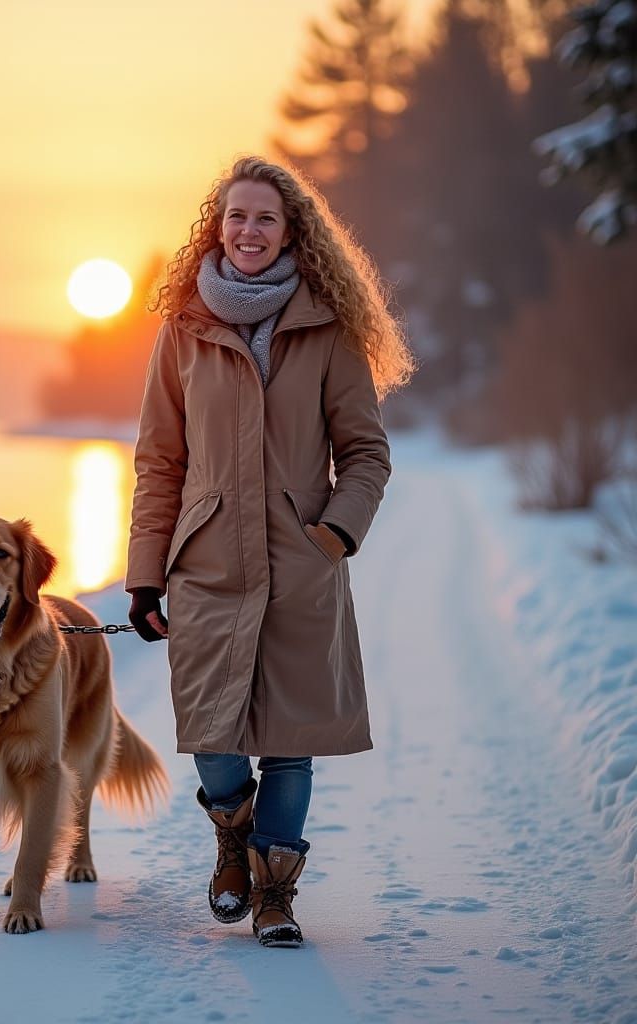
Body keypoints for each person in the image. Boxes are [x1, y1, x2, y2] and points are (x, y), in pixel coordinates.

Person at [125, 155, 415, 948]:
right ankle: (235, 835)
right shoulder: (182, 330)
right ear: (215, 229)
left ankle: (275, 895)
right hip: (208, 562)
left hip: (300, 564)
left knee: (290, 741)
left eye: (265, 219)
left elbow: (366, 452)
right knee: (211, 732)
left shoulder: (327, 329)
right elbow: (160, 461)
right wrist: (146, 576)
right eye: (235, 217)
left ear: (294, 233)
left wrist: (334, 534)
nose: (248, 231)